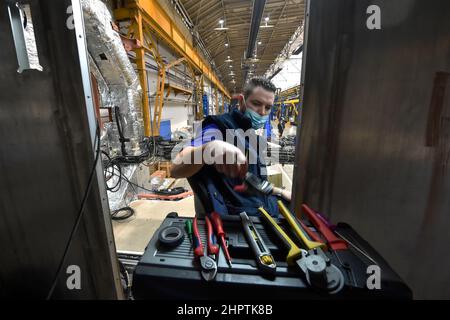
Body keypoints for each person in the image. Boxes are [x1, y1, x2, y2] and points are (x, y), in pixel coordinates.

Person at [171, 77, 291, 217]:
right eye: (257, 103)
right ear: (241, 101)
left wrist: (280, 192)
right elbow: (176, 168)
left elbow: (254, 182)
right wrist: (208, 148)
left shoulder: (251, 135)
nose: (262, 112)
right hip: (242, 218)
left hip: (264, 206)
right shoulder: (219, 126)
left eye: (268, 107)